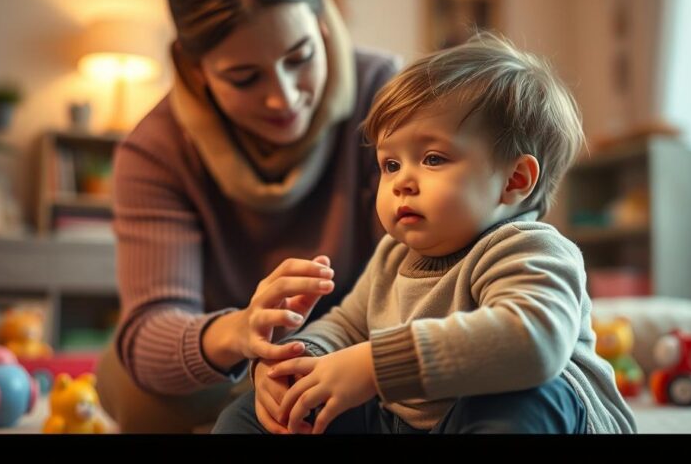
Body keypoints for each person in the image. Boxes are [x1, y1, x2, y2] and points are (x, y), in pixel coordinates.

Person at [212, 33, 638, 434]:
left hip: (545, 409)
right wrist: (299, 363)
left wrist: (376, 366)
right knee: (263, 411)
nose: (402, 182)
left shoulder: (530, 248)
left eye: (433, 158)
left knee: (518, 400)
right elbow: (346, 326)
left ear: (514, 180)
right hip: (415, 419)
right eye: (390, 164)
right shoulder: (392, 256)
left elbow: (532, 340)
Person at [94, 0, 402, 433]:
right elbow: (149, 332)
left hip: (363, 343)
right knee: (127, 385)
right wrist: (243, 333)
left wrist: (327, 357)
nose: (283, 97)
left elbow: (423, 275)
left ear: (323, 23)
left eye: (300, 57)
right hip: (232, 363)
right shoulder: (155, 151)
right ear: (196, 70)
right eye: (244, 77)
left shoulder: (388, 96)